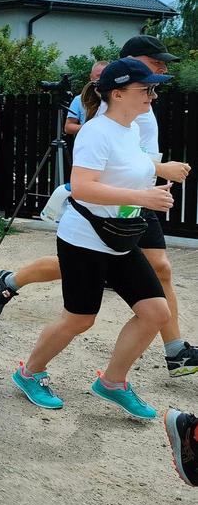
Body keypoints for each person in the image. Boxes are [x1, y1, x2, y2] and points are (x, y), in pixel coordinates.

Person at [0, 35, 198, 376]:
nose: (161, 70)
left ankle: (162, 357)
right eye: (154, 63)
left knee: (154, 280)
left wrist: (154, 174)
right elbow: (89, 182)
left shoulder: (133, 115)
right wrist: (147, 188)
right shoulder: (107, 122)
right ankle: (17, 304)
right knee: (83, 308)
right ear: (127, 70)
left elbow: (131, 158)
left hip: (126, 210)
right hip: (112, 212)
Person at [10, 58, 178, 418]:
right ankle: (29, 373)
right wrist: (142, 198)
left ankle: (112, 383)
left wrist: (158, 175)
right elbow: (83, 188)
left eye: (153, 88)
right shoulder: (95, 132)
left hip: (118, 238)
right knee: (79, 318)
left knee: (155, 311)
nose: (153, 95)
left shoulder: (130, 129)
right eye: (145, 89)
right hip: (84, 240)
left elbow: (132, 166)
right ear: (117, 94)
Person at [64, 60, 109, 136]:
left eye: (105, 76)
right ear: (91, 77)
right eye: (98, 76)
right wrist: (90, 128)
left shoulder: (118, 98)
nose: (101, 79)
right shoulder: (79, 99)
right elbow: (68, 127)